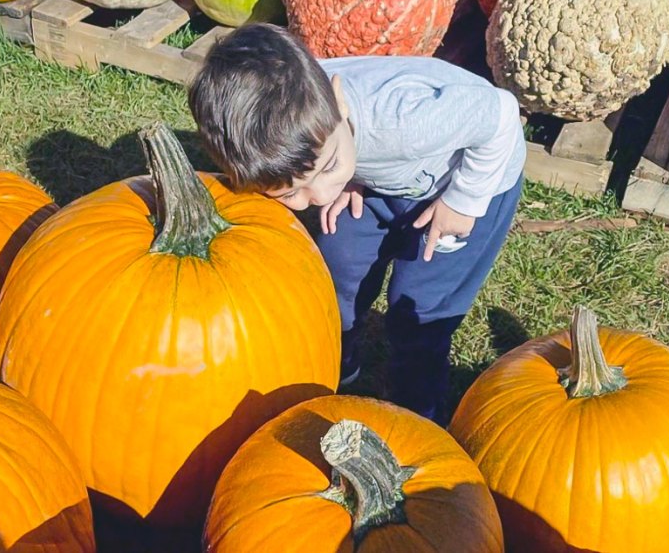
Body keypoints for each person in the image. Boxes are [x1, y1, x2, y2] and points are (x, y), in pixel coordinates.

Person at [188, 23, 525, 424]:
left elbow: (501, 114)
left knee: (418, 308)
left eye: (327, 167)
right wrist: (347, 174)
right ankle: (337, 368)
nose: (318, 196)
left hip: (468, 179)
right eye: (288, 194)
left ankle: (418, 414)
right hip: (383, 177)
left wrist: (464, 200)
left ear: (339, 103)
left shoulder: (404, 121)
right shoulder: (307, 119)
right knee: (336, 269)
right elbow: (318, 173)